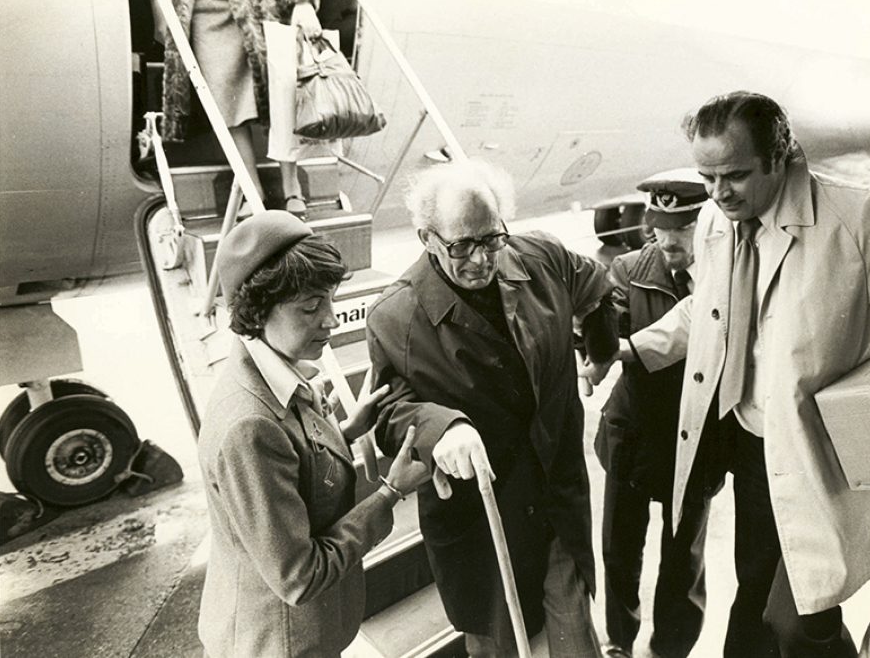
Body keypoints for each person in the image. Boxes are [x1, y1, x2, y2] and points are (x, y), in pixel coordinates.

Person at [583, 91, 870, 657]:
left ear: (780, 156)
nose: (719, 193)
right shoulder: (717, 221)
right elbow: (708, 307)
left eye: (735, 175)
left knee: (801, 621)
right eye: (708, 178)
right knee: (759, 602)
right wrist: (632, 349)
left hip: (818, 456)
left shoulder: (860, 222)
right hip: (749, 446)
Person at [366, 158, 617, 657]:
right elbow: (389, 411)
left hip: (555, 499)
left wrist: (601, 347)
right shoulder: (395, 317)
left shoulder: (541, 257)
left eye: (491, 238)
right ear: (427, 238)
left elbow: (594, 283)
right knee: (496, 646)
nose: (482, 260)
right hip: (483, 522)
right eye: (462, 246)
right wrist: (441, 428)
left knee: (575, 641)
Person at [198, 209, 429, 657]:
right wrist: (390, 494)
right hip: (276, 645)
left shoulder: (270, 371)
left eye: (329, 301)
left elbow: (292, 469)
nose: (331, 320)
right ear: (257, 311)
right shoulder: (248, 426)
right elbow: (300, 576)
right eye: (310, 307)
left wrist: (345, 430)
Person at [595, 169, 723, 658]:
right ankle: (618, 643)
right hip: (634, 433)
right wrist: (592, 338)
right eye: (660, 227)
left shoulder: (726, 271)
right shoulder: (628, 270)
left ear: (706, 224)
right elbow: (607, 331)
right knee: (619, 552)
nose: (668, 241)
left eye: (682, 229)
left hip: (695, 439)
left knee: (683, 559)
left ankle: (671, 649)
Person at [162, 0, 319, 217]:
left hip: (261, 4)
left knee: (279, 90)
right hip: (205, 14)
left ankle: (292, 188)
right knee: (224, 98)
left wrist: (304, 2)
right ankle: (251, 190)